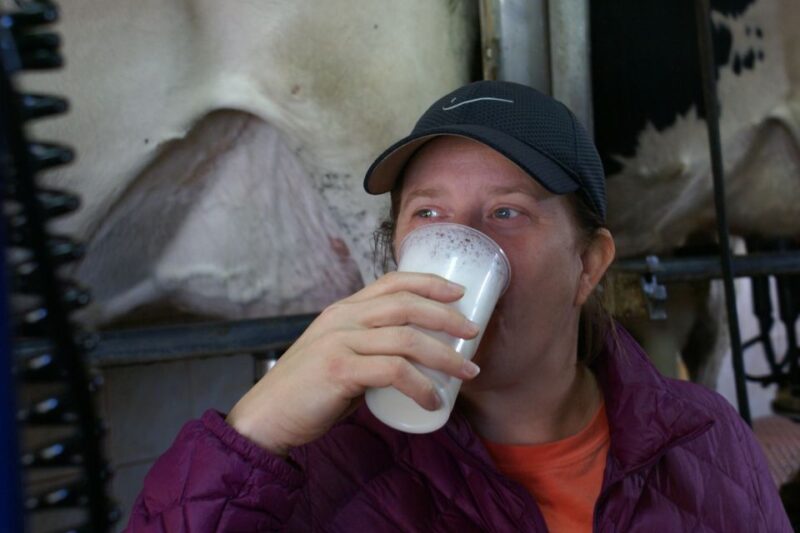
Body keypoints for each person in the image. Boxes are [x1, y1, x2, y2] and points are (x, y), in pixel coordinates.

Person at [124, 81, 791, 532]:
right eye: (429, 213)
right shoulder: (326, 465)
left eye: (506, 212)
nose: (463, 242)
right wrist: (252, 433)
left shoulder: (703, 439)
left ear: (588, 265)